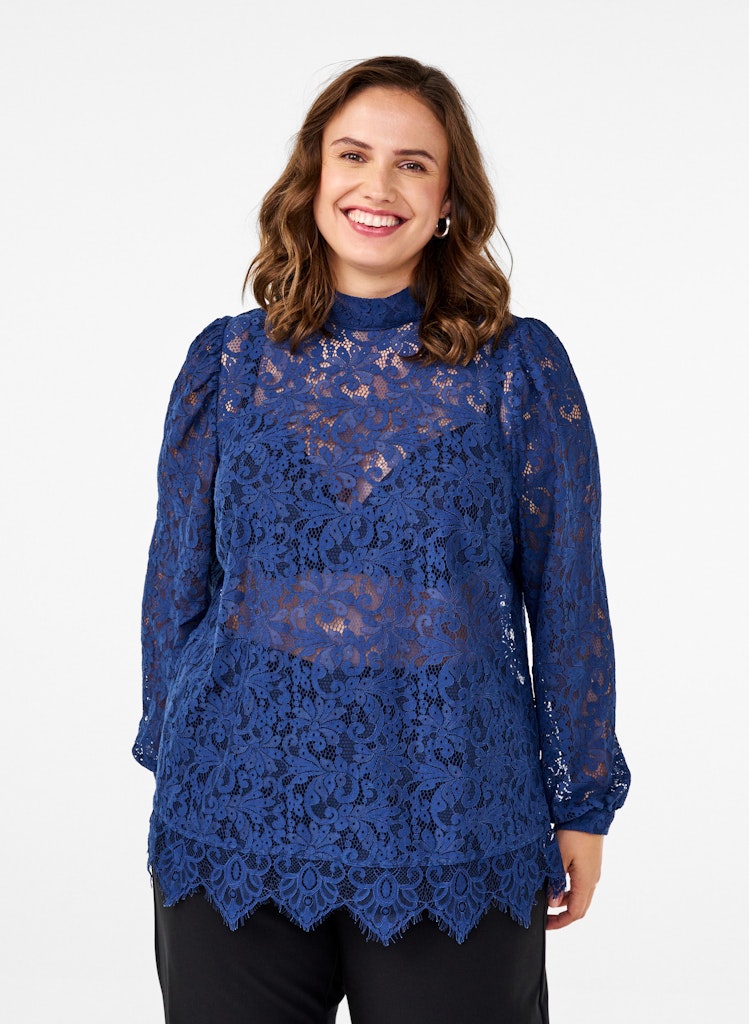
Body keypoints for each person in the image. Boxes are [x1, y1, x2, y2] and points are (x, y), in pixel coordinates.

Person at [133, 55, 631, 1024]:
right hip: (233, 813)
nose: (378, 185)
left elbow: (567, 591)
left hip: (458, 814)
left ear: (448, 200)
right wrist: (180, 751)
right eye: (353, 155)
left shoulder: (518, 369)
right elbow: (174, 585)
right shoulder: (226, 363)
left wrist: (580, 798)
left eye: (412, 163)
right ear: (311, 178)